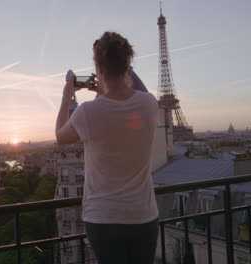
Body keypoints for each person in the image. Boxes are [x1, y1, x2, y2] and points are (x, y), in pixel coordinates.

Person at [55, 31, 159, 264]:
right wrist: (107, 86)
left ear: (99, 67)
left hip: (103, 218)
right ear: (127, 63)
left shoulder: (88, 112)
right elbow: (133, 94)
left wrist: (66, 97)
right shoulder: (149, 104)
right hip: (143, 215)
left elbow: (60, 135)